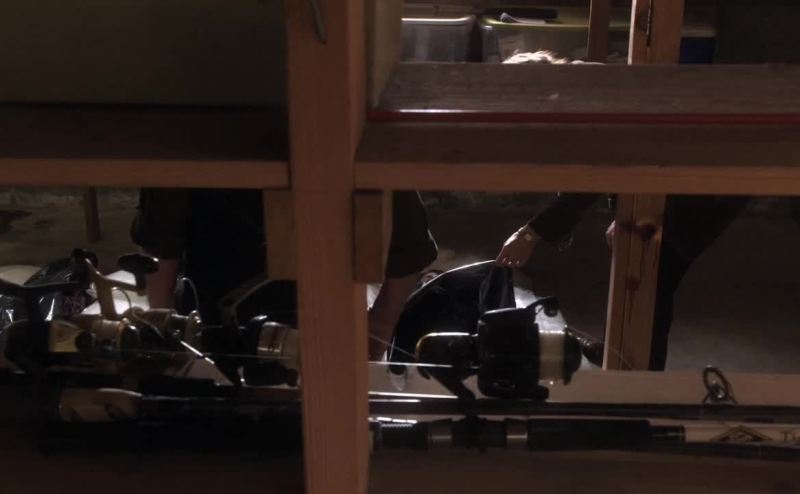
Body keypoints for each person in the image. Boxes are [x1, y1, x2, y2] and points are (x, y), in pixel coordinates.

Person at [131, 188, 437, 360]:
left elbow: (161, 241)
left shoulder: (194, 118)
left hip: (215, 320)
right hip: (329, 327)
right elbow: (409, 244)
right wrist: (381, 322)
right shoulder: (346, 115)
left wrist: (167, 326)